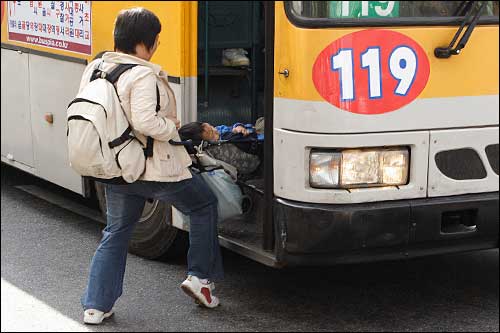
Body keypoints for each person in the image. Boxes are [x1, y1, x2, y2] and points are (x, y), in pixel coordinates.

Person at [80, 8, 223, 325]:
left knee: (116, 232)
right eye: (157, 41)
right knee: (203, 204)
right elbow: (145, 122)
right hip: (151, 168)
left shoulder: (96, 68)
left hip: (116, 168)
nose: (158, 46)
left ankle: (96, 305)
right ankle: (200, 278)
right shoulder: (143, 74)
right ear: (147, 43)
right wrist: (173, 126)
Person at [178, 119, 264, 176]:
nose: (215, 130)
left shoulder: (219, 131)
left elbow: (233, 127)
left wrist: (238, 126)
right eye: (212, 133)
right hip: (258, 142)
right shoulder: (221, 145)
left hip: (253, 132)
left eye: (212, 127)